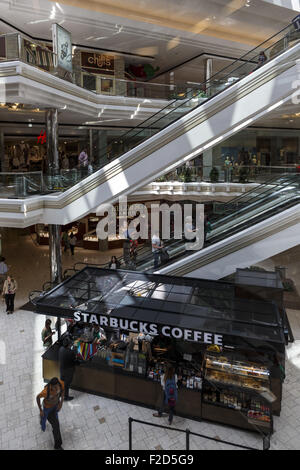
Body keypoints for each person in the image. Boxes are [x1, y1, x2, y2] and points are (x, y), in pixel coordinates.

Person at [36, 377, 64, 450]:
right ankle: (42, 422)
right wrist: (40, 410)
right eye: (53, 387)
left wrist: (61, 403)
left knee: (56, 426)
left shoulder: (61, 384)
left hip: (55, 407)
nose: (55, 388)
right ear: (50, 386)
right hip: (47, 409)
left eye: (56, 386)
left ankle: (57, 446)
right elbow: (37, 397)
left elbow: (63, 393)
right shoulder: (45, 392)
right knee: (43, 421)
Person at [59, 336, 79, 401]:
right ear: (68, 345)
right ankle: (66, 397)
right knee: (67, 384)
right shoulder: (71, 352)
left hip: (62, 369)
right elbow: (75, 360)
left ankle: (60, 394)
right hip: (69, 371)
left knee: (62, 382)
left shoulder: (61, 349)